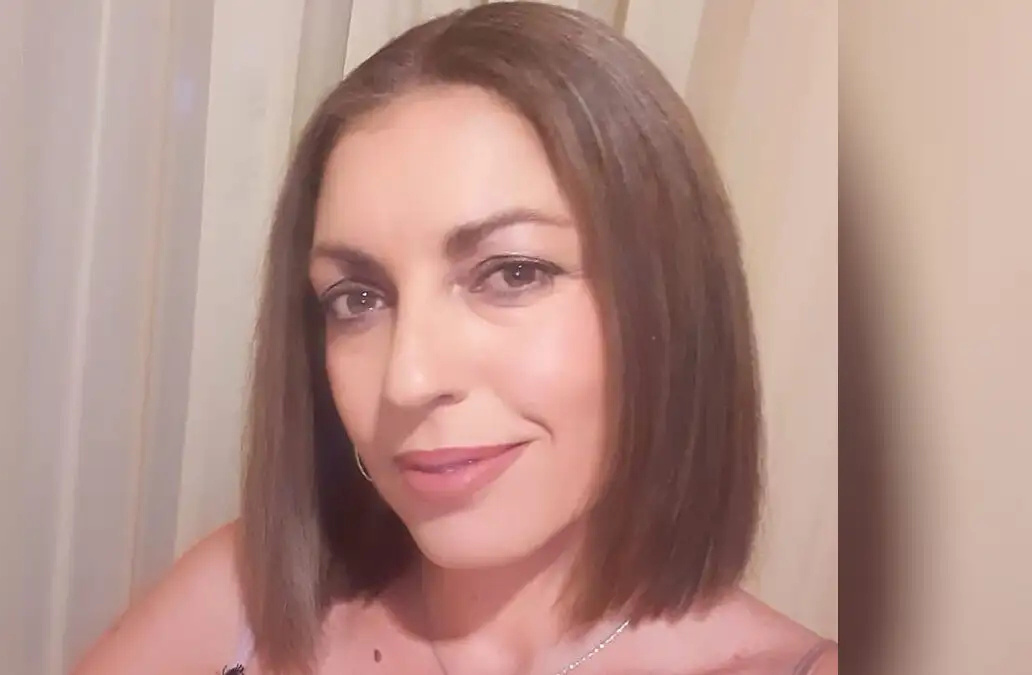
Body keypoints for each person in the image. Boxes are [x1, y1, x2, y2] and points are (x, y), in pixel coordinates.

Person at [74, 3, 837, 673]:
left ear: (668, 298)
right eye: (357, 298)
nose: (407, 378)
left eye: (512, 273)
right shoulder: (244, 599)